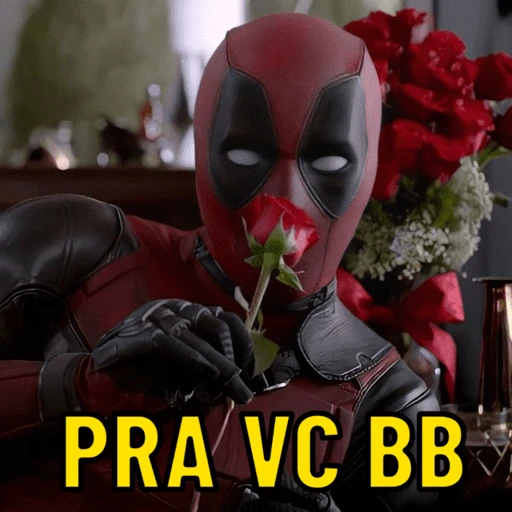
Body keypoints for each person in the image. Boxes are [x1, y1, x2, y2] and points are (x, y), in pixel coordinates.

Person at [0, 13, 439, 512]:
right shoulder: (72, 247)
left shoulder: (390, 406)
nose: (286, 198)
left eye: (328, 161)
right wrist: (78, 383)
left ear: (369, 164)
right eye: (247, 154)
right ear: (205, 144)